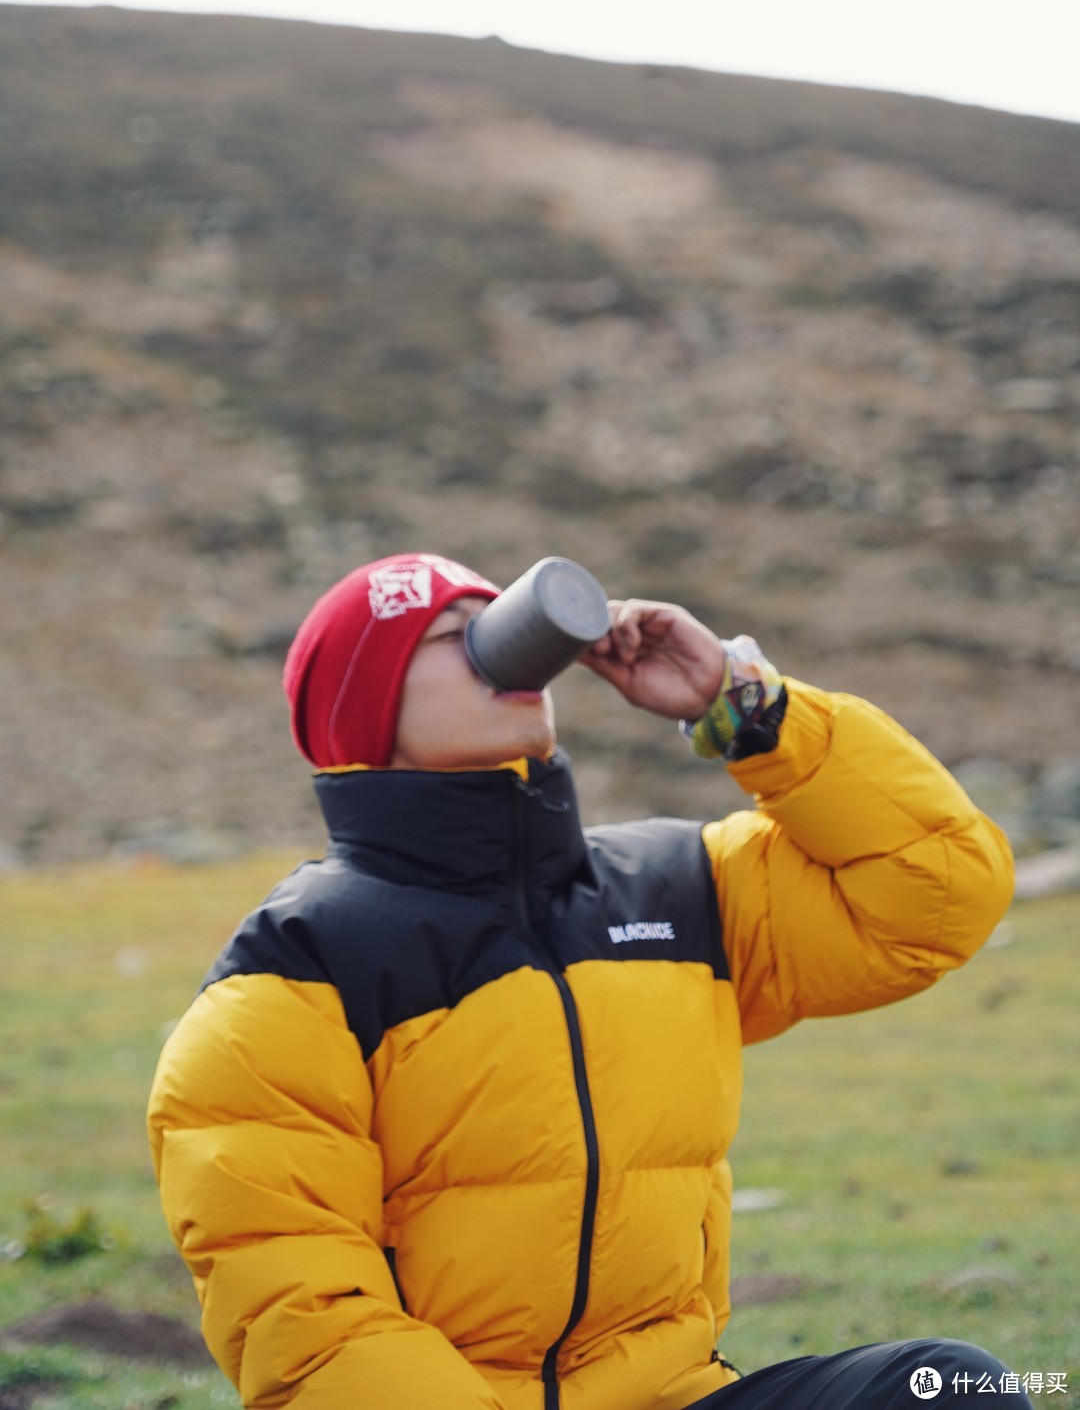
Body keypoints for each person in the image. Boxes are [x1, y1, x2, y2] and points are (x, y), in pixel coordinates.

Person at [148, 551, 1029, 1410]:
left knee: (955, 1385)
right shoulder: (293, 972)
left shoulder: (680, 885)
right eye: (455, 637)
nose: (510, 648)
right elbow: (308, 1319)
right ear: (368, 709)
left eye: (503, 621)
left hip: (674, 1394)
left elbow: (939, 894)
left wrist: (742, 702)